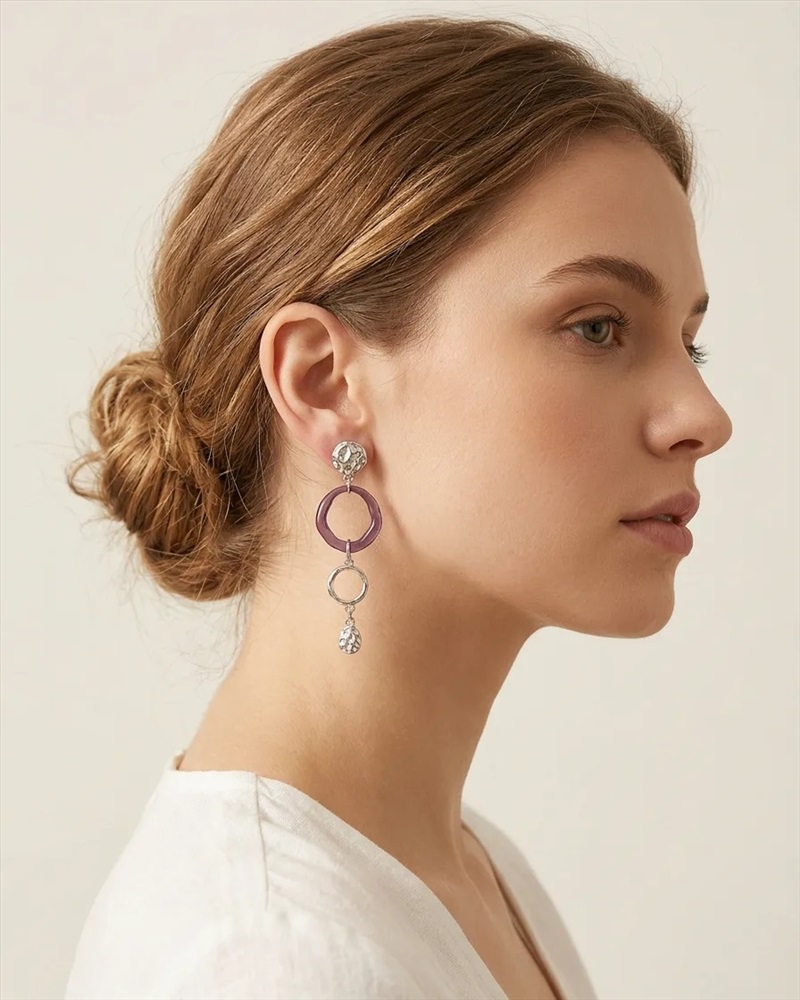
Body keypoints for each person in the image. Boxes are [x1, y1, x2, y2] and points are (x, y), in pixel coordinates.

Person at [62, 12, 732, 1000]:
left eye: (689, 341)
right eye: (597, 327)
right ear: (324, 381)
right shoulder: (268, 961)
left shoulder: (464, 868)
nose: (703, 416)